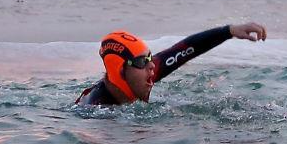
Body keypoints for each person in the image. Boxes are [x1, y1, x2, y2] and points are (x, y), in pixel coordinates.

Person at [76, 22, 267, 106]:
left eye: (150, 58)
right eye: (143, 61)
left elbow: (186, 48)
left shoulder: (139, 76)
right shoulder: (96, 109)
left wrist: (230, 30)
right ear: (121, 71)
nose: (152, 66)